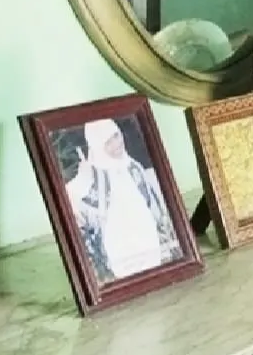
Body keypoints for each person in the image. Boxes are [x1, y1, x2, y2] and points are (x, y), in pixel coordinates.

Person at [65, 118, 180, 282]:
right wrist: (84, 175)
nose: (117, 144)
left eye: (116, 136)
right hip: (118, 235)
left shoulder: (133, 165)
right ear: (98, 146)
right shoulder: (92, 173)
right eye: (108, 142)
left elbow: (151, 201)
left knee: (152, 268)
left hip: (144, 229)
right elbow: (73, 195)